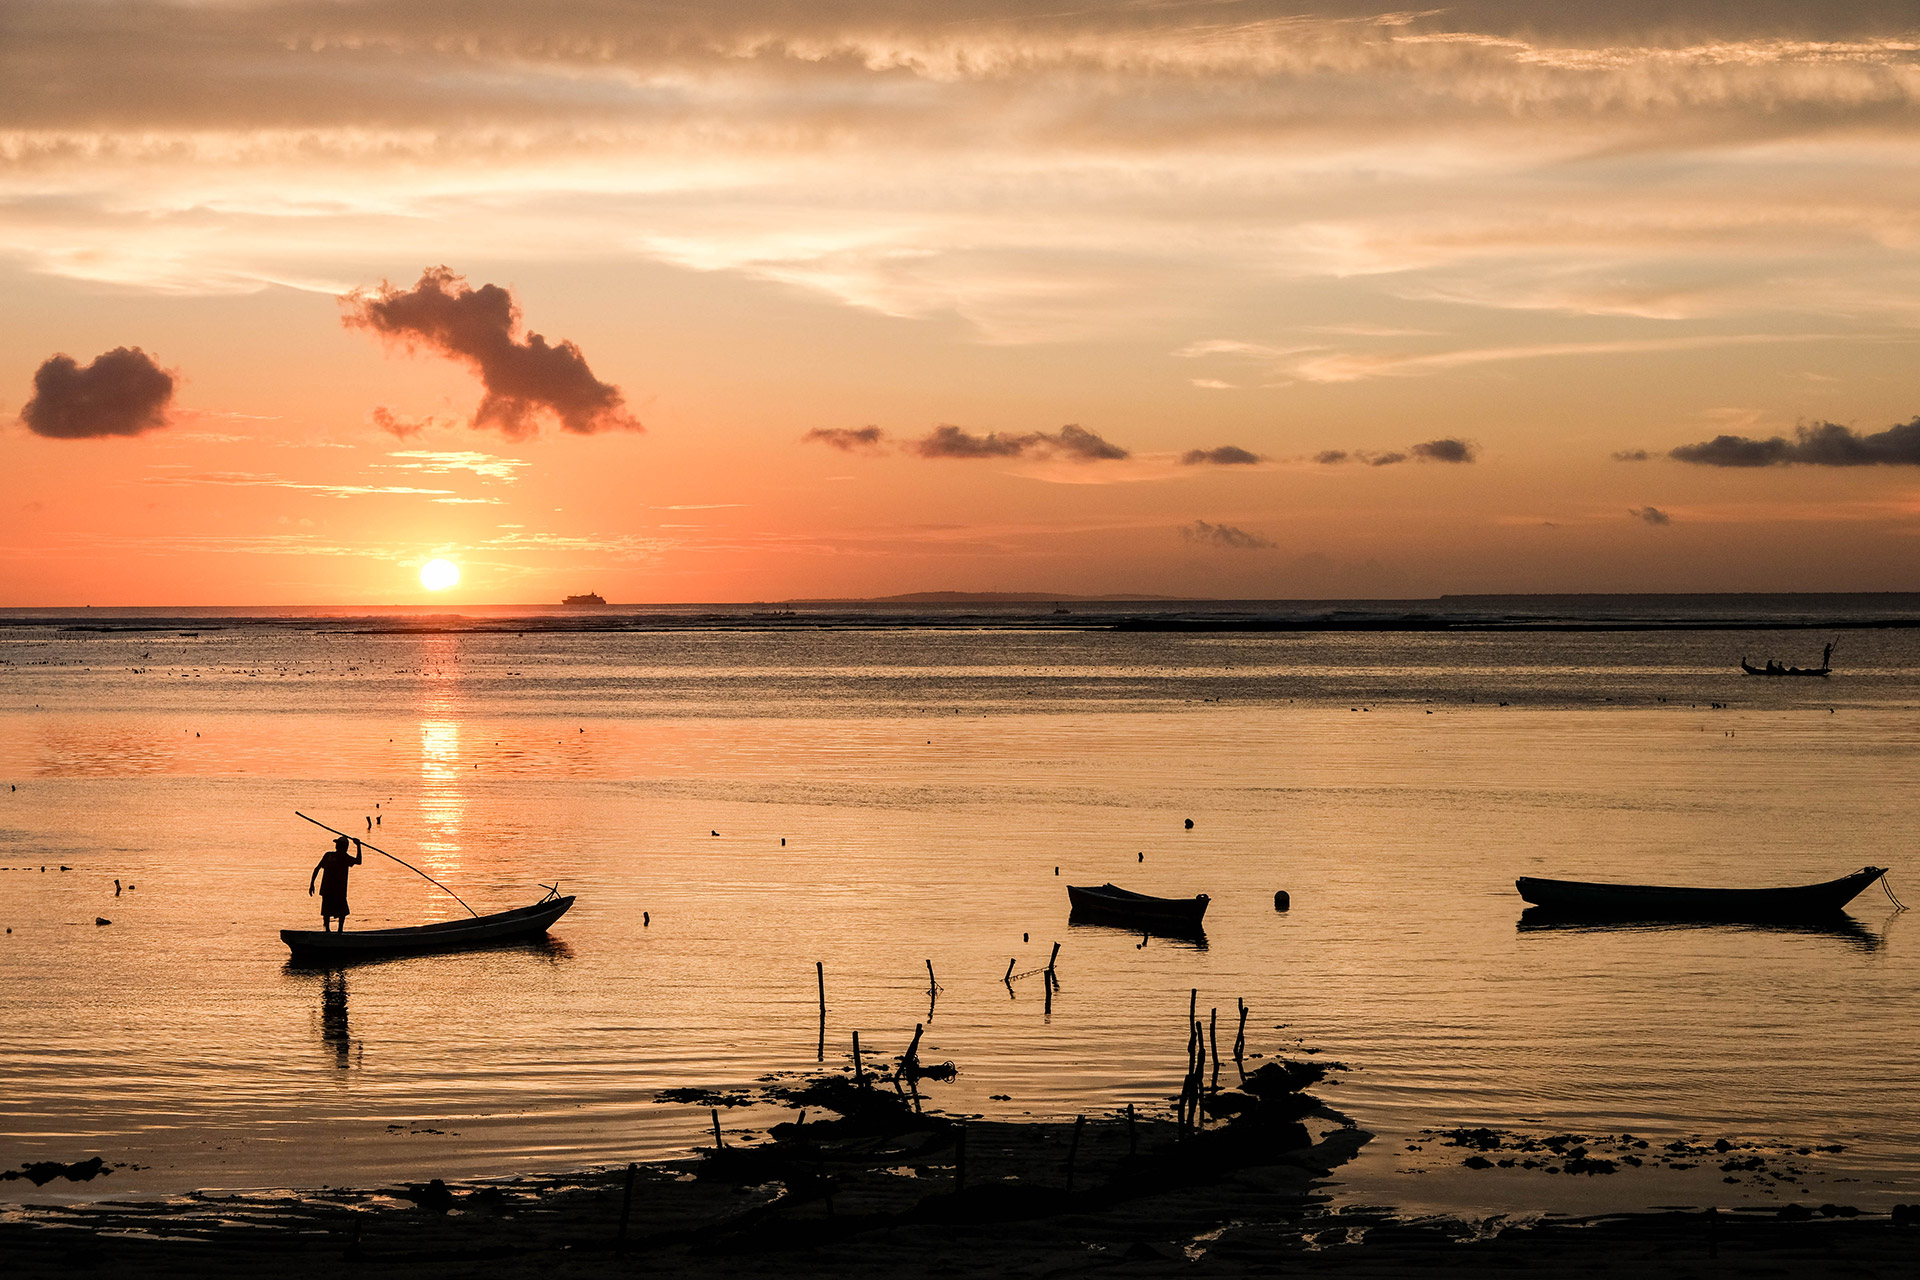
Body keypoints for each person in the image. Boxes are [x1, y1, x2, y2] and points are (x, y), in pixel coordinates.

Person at [310, 835, 363, 932]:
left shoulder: (342, 857)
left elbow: (358, 862)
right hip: (331, 890)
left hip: (336, 890)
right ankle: (333, 931)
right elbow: (317, 868)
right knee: (329, 911)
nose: (337, 846)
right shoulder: (330, 856)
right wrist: (311, 884)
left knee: (338, 911)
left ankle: (337, 931)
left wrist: (358, 846)